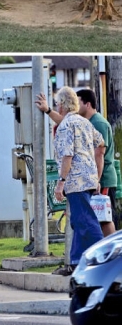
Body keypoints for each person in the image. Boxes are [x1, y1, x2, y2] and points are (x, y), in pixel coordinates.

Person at [36, 88, 117, 236]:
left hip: (99, 177)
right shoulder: (82, 122)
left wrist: (97, 179)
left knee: (102, 219)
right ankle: (82, 255)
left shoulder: (97, 123)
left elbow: (100, 151)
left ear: (87, 104)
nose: (75, 104)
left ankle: (108, 252)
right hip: (90, 178)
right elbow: (66, 123)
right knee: (88, 220)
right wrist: (48, 110)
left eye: (77, 101)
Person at [52, 86, 104, 275]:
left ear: (63, 105)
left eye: (57, 103)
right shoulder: (84, 122)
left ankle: (103, 258)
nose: (57, 107)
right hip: (88, 178)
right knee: (78, 220)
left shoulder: (66, 125)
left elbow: (67, 155)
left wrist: (61, 182)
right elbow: (101, 145)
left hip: (76, 180)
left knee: (85, 220)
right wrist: (96, 174)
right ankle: (76, 262)